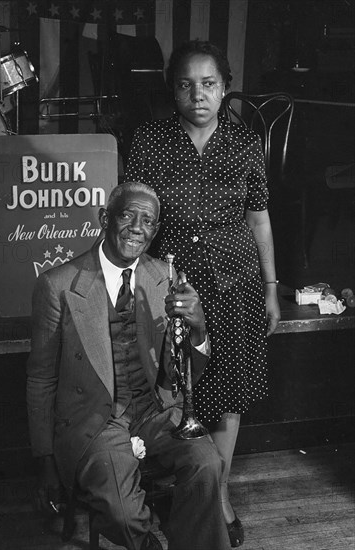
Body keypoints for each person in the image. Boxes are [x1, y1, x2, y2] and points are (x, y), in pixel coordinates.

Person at [125, 41, 281, 547]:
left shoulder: (243, 143)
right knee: (180, 389)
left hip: (237, 281)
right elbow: (134, 215)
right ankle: (192, 484)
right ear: (173, 90)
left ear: (225, 87)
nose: (198, 94)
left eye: (208, 84)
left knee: (229, 391)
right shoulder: (149, 141)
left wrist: (272, 289)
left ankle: (218, 495)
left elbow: (259, 219)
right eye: (186, 84)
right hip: (173, 285)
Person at [26, 181, 232, 550]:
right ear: (105, 218)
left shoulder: (162, 277)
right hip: (96, 420)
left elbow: (186, 375)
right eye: (127, 215)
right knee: (122, 512)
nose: (138, 227)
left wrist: (199, 328)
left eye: (149, 221)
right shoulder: (57, 285)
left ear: (155, 231)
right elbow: (40, 378)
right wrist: (44, 461)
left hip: (154, 410)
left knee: (207, 465)